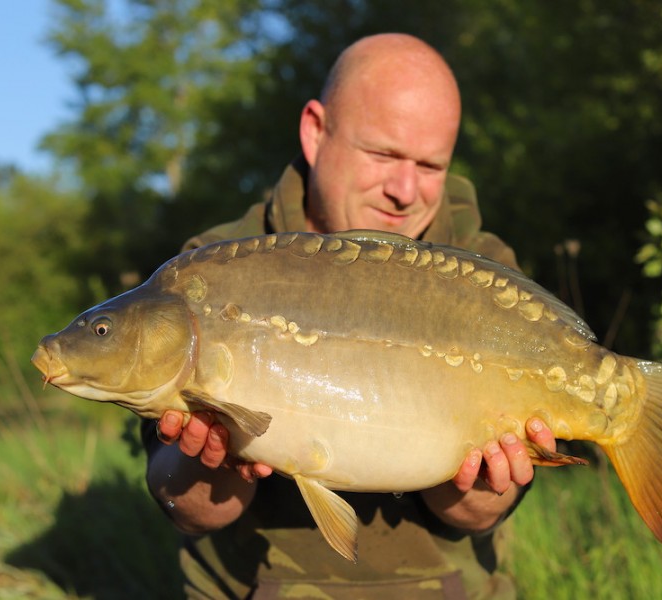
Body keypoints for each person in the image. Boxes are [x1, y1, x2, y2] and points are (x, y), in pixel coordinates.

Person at [143, 33, 558, 599]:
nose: (404, 190)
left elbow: (477, 516)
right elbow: (190, 510)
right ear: (316, 131)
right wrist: (211, 458)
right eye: (384, 154)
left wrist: (485, 483)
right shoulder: (210, 271)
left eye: (430, 164)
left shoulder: (487, 276)